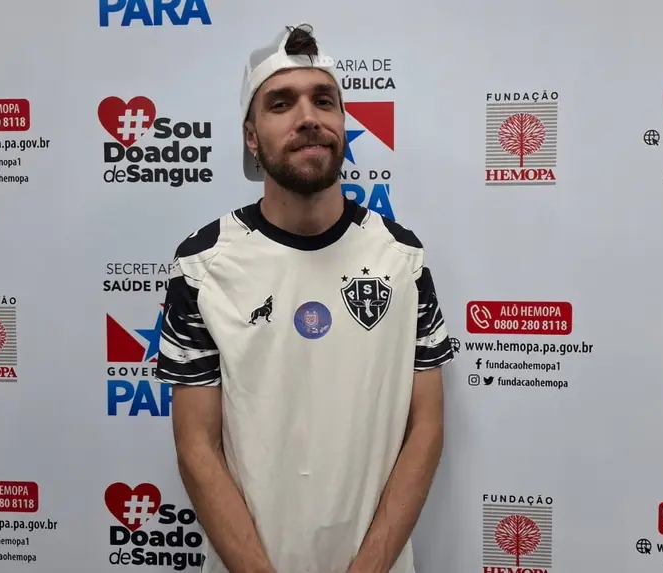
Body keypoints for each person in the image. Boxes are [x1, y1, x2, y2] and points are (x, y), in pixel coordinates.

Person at [154, 23, 454, 573]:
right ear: (251, 137)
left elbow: (427, 427)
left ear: (343, 124)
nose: (308, 117)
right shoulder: (203, 266)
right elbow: (196, 447)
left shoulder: (403, 259)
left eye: (324, 100)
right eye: (281, 103)